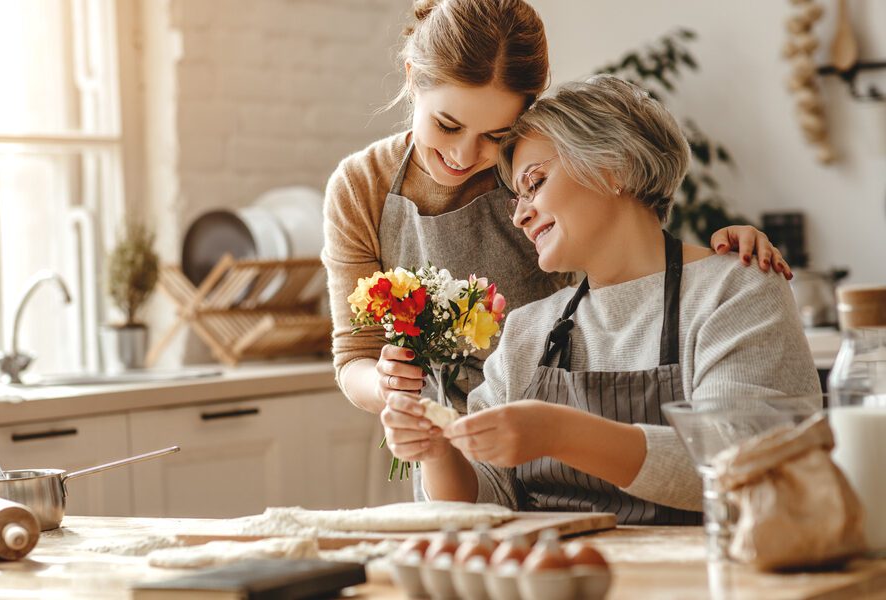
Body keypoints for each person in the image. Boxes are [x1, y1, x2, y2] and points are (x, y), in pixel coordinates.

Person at [322, 0, 791, 494]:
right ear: (412, 75)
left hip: (557, 433)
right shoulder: (364, 188)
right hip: (465, 459)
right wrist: (403, 401)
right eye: (448, 125)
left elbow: (629, 262)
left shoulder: (728, 294)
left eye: (496, 137)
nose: (463, 156)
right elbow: (356, 352)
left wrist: (715, 262)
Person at [379, 75, 821, 523]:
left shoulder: (735, 290)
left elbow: (743, 463)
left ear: (614, 167)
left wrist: (560, 432)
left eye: (535, 182)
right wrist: (437, 452)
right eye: (516, 196)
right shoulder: (528, 330)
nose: (519, 214)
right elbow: (487, 500)